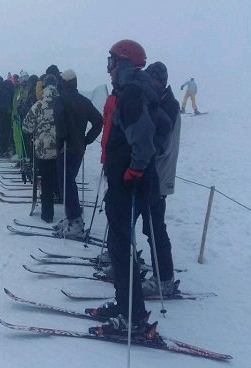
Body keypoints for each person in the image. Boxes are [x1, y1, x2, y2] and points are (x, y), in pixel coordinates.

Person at [89, 39, 160, 337]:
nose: (109, 71)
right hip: (124, 182)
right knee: (118, 247)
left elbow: (144, 138)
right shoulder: (133, 91)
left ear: (124, 64)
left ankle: (133, 317)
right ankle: (125, 304)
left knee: (120, 247)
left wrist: (134, 171)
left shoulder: (131, 94)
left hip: (128, 185)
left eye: (111, 64)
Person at [140, 61, 181, 296]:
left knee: (155, 226)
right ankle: (151, 269)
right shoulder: (159, 101)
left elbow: (162, 144)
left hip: (158, 174)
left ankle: (164, 278)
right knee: (145, 223)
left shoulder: (169, 105)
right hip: (150, 173)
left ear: (159, 82)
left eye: (151, 80)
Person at [53, 69, 102, 235]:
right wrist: (87, 139)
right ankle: (72, 216)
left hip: (65, 147)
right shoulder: (84, 101)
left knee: (65, 184)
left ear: (64, 83)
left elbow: (59, 121)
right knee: (70, 182)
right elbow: (98, 121)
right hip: (78, 148)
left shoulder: (60, 100)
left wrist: (61, 139)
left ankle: (75, 220)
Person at [22, 74, 60, 223]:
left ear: (44, 88)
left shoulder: (38, 105)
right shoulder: (61, 104)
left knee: (45, 180)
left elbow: (26, 127)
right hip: (59, 150)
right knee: (58, 177)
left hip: (42, 150)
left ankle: (47, 214)